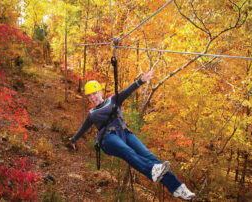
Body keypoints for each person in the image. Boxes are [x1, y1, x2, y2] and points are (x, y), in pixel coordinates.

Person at [69, 69, 195, 200]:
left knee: (152, 158)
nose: (93, 97)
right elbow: (83, 129)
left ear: (100, 92)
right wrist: (73, 139)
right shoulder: (92, 114)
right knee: (127, 151)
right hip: (108, 139)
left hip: (124, 132)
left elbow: (127, 91)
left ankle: (178, 188)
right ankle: (153, 171)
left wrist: (142, 80)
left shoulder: (114, 99)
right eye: (89, 96)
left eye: (94, 93)